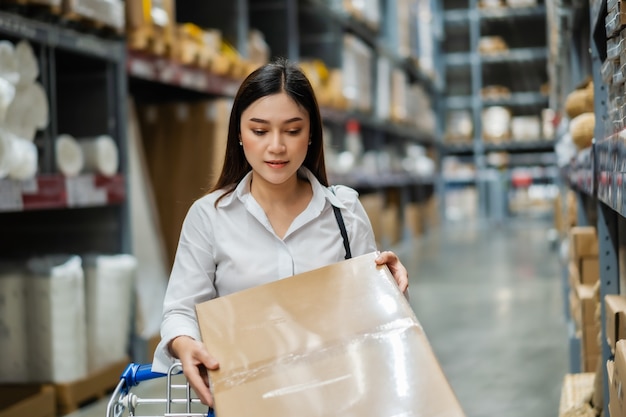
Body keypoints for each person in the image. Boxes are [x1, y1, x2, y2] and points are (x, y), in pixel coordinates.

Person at [152, 57, 409, 407]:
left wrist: (389, 291)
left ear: (311, 134)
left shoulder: (344, 213)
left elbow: (372, 319)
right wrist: (184, 342)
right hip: (244, 400)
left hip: (333, 399)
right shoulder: (209, 217)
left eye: (292, 130)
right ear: (239, 135)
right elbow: (180, 310)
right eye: (260, 131)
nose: (277, 146)